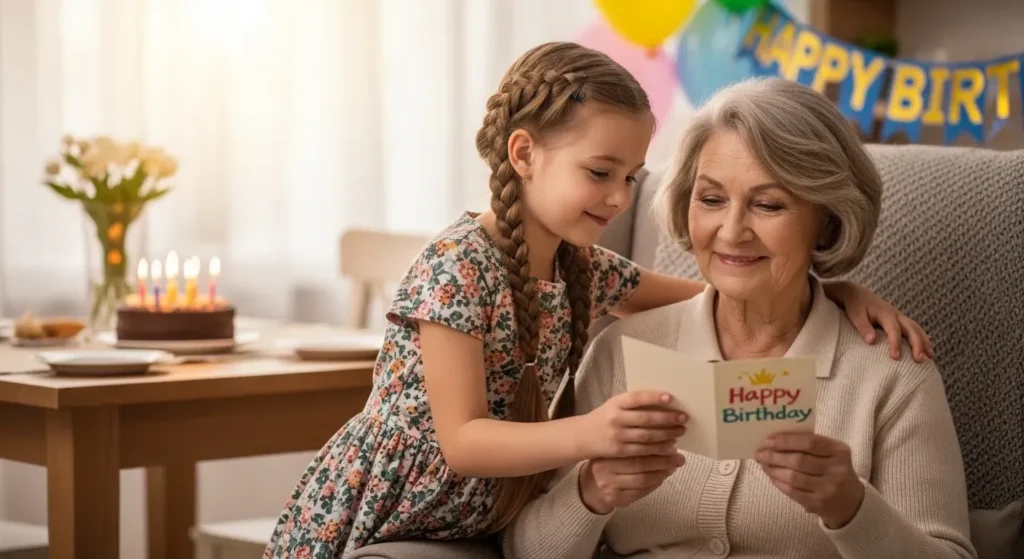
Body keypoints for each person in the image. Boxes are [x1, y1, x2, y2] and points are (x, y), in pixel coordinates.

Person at [263, 45, 934, 558]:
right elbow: (471, 451)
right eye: (599, 173)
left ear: (824, 220)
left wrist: (833, 288)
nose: (618, 199)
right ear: (523, 152)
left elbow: (731, 284)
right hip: (394, 506)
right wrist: (592, 466)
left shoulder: (583, 269)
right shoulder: (471, 274)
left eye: (769, 204)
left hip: (469, 510)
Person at [502, 77, 975, 559]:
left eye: (768, 205)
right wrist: (589, 493)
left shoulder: (892, 374)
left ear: (828, 221)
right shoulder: (620, 352)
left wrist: (853, 509)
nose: (731, 231)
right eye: (710, 200)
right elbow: (523, 549)